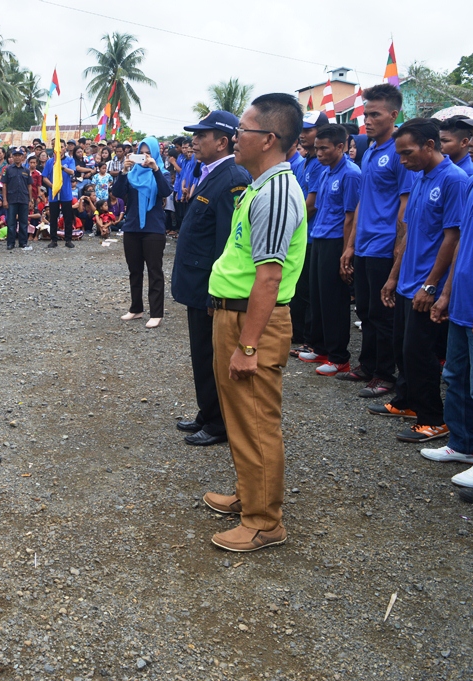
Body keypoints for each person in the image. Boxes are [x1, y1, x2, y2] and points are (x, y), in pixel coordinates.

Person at [201, 94, 307, 552]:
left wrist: (247, 346)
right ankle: (250, 495)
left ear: (268, 139)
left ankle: (265, 522)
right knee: (241, 417)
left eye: (241, 130)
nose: (234, 137)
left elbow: (268, 278)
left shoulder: (278, 192)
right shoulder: (261, 186)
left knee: (258, 420)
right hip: (235, 315)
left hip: (254, 323)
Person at [370, 118, 467, 443]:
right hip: (407, 282)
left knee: (420, 353)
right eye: (399, 154)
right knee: (402, 347)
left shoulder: (453, 180)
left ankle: (433, 419)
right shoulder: (421, 178)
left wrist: (431, 285)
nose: (403, 161)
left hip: (428, 285)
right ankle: (406, 402)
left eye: (408, 153)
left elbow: (452, 238)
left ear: (429, 145)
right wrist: (393, 277)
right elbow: (410, 234)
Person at [171, 111, 251, 447]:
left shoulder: (234, 177)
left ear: (223, 141)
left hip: (210, 287)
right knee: (201, 354)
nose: (195, 140)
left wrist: (214, 295)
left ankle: (219, 423)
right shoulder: (210, 172)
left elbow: (225, 243)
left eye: (202, 135)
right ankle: (207, 412)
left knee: (212, 357)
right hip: (198, 282)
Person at [427, 112, 473, 502]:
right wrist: (445, 293)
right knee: (458, 378)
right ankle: (462, 443)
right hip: (462, 299)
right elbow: (462, 240)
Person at [339, 84, 408, 395]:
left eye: (374, 114)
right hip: (364, 243)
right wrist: (351, 245)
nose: (367, 119)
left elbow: (404, 205)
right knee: (365, 310)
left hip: (384, 246)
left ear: (393, 115)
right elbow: (363, 202)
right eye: (365, 113)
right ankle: (367, 365)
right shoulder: (370, 153)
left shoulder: (399, 152)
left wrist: (398, 246)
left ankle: (385, 374)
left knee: (383, 315)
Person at [304, 124, 362, 377]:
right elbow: (316, 206)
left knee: (333, 301)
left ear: (340, 147)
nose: (319, 153)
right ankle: (321, 348)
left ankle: (339, 357)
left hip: (336, 241)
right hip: (319, 237)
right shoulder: (326, 172)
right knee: (316, 295)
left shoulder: (351, 174)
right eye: (317, 148)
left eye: (324, 148)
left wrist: (346, 252)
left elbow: (351, 217)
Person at [112, 137, 172, 328]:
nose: (145, 157)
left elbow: (165, 192)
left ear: (155, 154)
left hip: (153, 229)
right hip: (132, 227)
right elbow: (118, 193)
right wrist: (123, 171)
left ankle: (156, 313)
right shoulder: (132, 174)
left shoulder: (162, 172)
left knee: (155, 271)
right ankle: (136, 308)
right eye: (142, 153)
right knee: (134, 270)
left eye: (148, 153)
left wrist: (155, 169)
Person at [293, 111, 330, 360]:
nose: (303, 135)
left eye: (309, 130)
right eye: (302, 130)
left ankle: (309, 339)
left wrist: (290, 224)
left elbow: (311, 203)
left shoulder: (318, 163)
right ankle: (304, 337)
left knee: (308, 291)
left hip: (312, 234)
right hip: (304, 234)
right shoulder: (308, 161)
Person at [42, 139, 77, 249]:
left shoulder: (70, 160)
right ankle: (53, 239)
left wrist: (61, 166)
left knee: (67, 217)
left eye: (62, 147)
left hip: (66, 193)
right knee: (53, 217)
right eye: (58, 147)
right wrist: (53, 187)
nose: (60, 149)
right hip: (54, 194)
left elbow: (72, 172)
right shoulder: (49, 162)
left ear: (65, 148)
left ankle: (68, 240)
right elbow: (44, 177)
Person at [2, 147, 32, 250]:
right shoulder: (8, 170)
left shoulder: (26, 170)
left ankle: (23, 242)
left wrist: (30, 199)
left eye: (19, 155)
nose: (17, 157)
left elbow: (29, 186)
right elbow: (4, 185)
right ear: (12, 157)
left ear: (23, 157)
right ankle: (10, 243)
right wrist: (5, 200)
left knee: (23, 222)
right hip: (12, 199)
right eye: (15, 155)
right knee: (11, 222)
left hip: (23, 199)